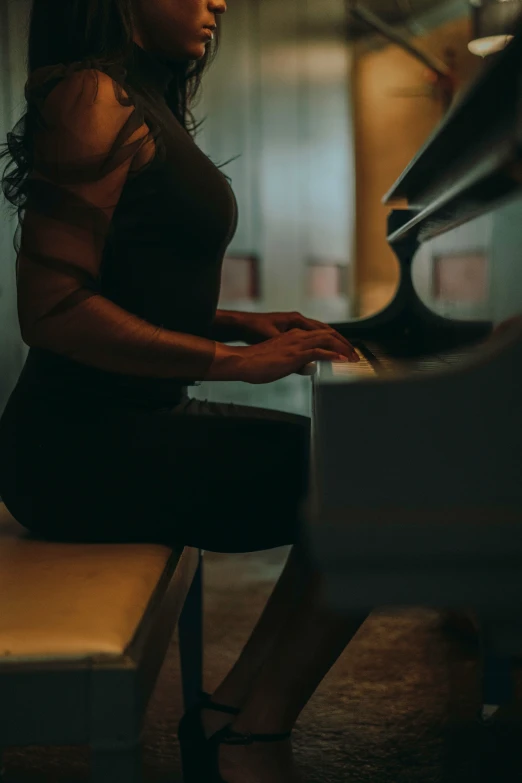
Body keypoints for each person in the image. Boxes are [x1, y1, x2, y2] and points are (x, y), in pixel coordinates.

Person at [0, 2, 369, 781]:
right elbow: (52, 310)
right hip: (75, 450)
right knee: (371, 484)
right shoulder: (92, 96)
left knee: (352, 468)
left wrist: (241, 323)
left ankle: (236, 708)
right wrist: (227, 360)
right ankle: (252, 735)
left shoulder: (141, 95)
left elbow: (133, 280)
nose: (219, 1)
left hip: (131, 422)